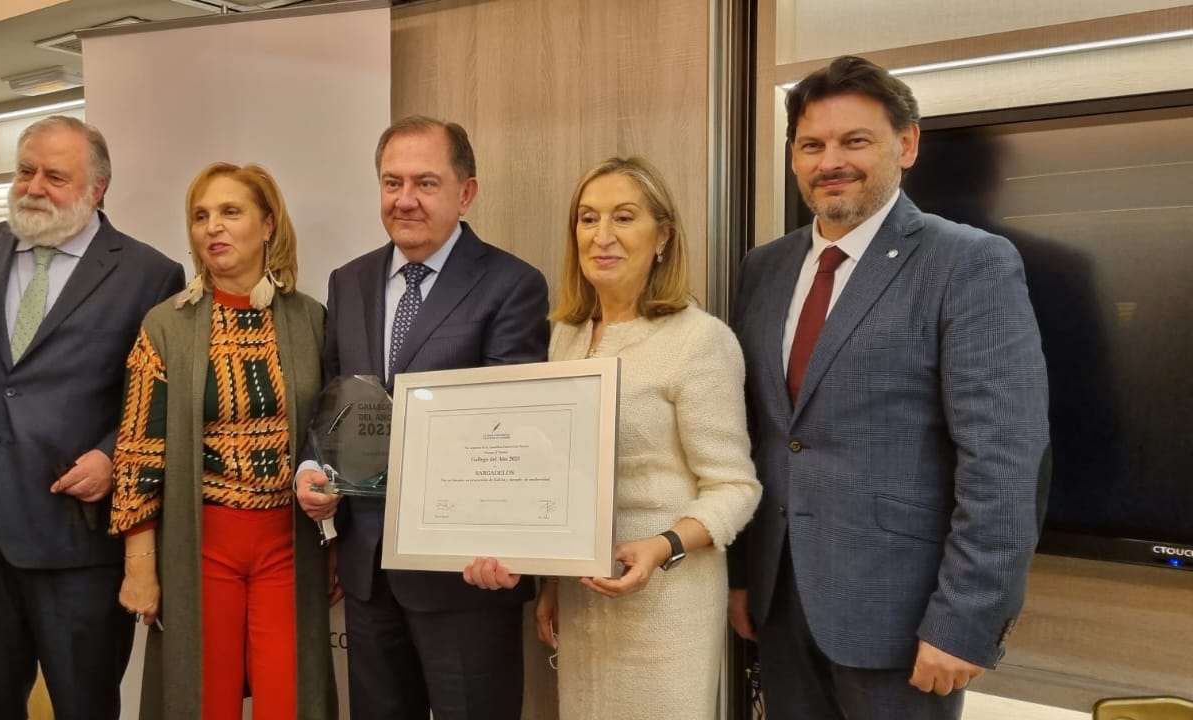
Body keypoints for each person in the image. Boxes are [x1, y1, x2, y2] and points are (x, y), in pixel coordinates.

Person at [728, 55, 1049, 719]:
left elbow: (1004, 460)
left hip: (904, 622)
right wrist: (740, 578)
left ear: (906, 145)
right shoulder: (764, 268)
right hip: (779, 605)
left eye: (855, 141)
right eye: (811, 145)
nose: (830, 162)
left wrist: (965, 620)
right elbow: (758, 436)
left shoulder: (968, 263)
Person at [462, 157, 762, 718]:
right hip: (583, 598)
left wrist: (662, 546)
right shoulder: (563, 338)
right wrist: (552, 583)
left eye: (623, 217)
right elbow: (558, 477)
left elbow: (734, 488)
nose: (602, 236)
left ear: (662, 236)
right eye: (587, 218)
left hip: (667, 599)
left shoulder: (700, 340)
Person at [293, 116, 550, 720]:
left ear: (466, 192)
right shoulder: (349, 281)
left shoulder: (511, 284)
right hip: (369, 566)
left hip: (465, 574)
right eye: (392, 182)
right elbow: (334, 401)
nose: (404, 199)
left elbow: (511, 429)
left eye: (425, 183)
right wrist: (312, 469)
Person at [0, 116, 184, 719]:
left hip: (78, 537)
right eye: (25, 171)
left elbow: (157, 396)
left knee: (85, 705)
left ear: (97, 188)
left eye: (55, 177)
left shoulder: (149, 273)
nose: (34, 187)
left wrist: (112, 454)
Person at [111, 162, 336, 720]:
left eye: (230, 212)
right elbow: (139, 449)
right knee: (203, 703)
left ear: (268, 224)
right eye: (200, 216)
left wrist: (337, 543)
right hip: (201, 546)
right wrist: (140, 564)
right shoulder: (165, 325)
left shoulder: (310, 319)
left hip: (289, 547)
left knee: (289, 702)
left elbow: (329, 434)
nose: (212, 227)